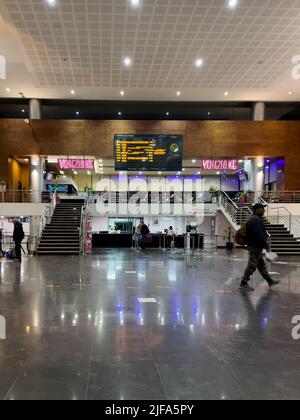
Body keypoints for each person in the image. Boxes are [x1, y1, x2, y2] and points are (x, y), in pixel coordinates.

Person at [240, 203, 280, 292]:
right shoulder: (255, 220)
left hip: (255, 245)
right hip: (255, 246)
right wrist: (265, 245)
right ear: (257, 209)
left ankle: (269, 281)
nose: (264, 210)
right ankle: (243, 282)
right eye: (262, 209)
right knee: (252, 265)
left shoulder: (254, 219)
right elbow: (259, 234)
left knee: (261, 265)